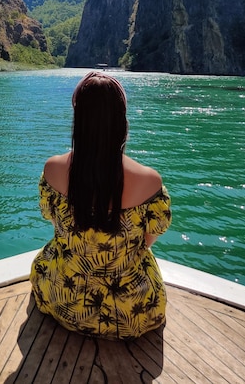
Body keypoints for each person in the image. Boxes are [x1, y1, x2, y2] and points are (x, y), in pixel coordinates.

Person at [30, 71, 172, 340]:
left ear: (78, 118)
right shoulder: (149, 181)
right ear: (122, 120)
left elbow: (54, 223)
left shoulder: (52, 170)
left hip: (65, 300)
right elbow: (148, 240)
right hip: (132, 313)